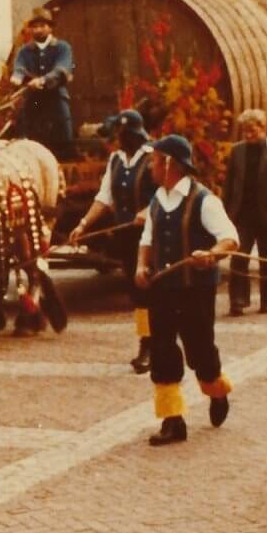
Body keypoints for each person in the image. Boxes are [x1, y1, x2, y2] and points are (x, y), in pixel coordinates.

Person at [135, 135, 239, 446]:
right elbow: (147, 240)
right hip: (163, 291)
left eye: (154, 161)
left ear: (170, 164)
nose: (151, 167)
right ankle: (172, 421)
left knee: (202, 354)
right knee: (162, 352)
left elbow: (231, 239)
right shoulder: (157, 199)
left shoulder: (204, 200)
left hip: (195, 292)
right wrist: (142, 266)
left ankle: (217, 391)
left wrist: (211, 254)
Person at [68, 109, 155, 373]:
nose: (120, 139)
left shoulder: (154, 157)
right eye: (119, 134)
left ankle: (157, 343)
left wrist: (149, 210)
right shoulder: (115, 160)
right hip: (127, 236)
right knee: (137, 293)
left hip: (154, 237)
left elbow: (170, 192)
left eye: (124, 134)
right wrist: (83, 224)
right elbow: (105, 198)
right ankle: (147, 341)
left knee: (153, 290)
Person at [222, 109, 267, 315]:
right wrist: (224, 212)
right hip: (242, 215)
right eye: (245, 131)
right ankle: (238, 300)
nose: (248, 135)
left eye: (252, 131)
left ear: (263, 128)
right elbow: (229, 185)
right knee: (238, 257)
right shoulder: (237, 152)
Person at [9, 7, 75, 160]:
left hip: (56, 99)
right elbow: (19, 66)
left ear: (50, 27)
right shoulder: (24, 51)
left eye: (42, 26)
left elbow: (61, 69)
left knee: (64, 136)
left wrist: (43, 80)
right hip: (34, 101)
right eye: (35, 27)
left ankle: (66, 161)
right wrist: (17, 76)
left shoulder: (62, 48)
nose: (38, 30)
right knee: (27, 136)